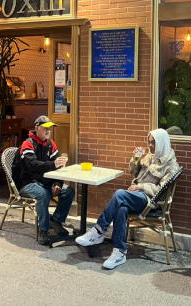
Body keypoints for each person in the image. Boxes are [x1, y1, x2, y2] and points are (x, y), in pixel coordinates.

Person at [75, 129, 179, 269]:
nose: (150, 145)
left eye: (154, 142)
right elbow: (133, 172)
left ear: (162, 143)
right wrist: (136, 158)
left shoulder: (171, 165)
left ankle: (99, 230)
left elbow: (162, 191)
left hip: (150, 202)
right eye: (149, 142)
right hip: (136, 197)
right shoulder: (150, 156)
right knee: (121, 209)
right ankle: (120, 251)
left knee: (120, 194)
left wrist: (140, 186)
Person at [13, 115, 75, 245]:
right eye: (45, 128)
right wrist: (53, 164)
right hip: (28, 183)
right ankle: (43, 230)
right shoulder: (28, 143)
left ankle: (56, 220)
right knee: (43, 194)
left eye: (50, 128)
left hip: (46, 182)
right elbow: (32, 165)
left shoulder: (51, 144)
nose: (48, 131)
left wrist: (57, 183)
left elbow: (58, 168)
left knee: (69, 191)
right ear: (37, 128)